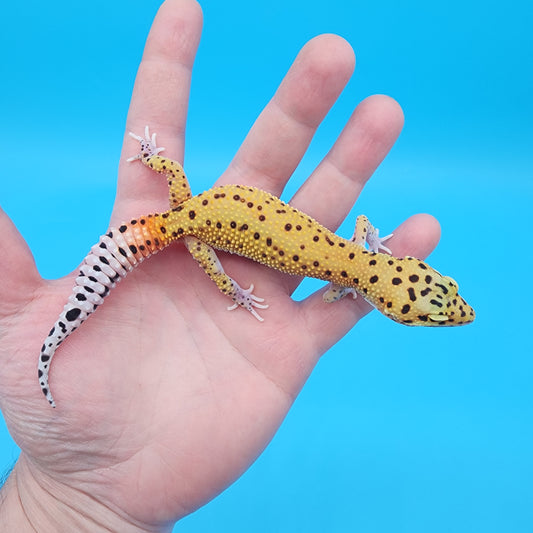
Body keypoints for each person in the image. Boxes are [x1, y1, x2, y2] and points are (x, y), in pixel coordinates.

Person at [0, 0, 440, 530]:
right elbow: (340, 284)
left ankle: (157, 175)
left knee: (185, 225)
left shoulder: (356, 260)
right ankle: (66, 337)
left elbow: (363, 227)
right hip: (193, 228)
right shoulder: (345, 278)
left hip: (200, 213)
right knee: (209, 265)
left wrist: (366, 244)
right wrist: (234, 292)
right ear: (388, 301)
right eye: (429, 305)